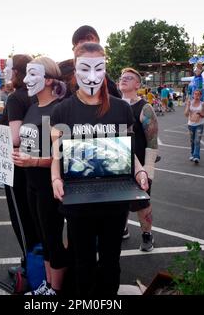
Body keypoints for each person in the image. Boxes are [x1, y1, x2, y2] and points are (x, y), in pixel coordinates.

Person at [50, 42, 148, 296]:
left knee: (110, 261)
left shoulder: (121, 108)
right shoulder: (62, 109)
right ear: (75, 69)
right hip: (78, 199)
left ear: (105, 69)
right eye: (85, 68)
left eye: (99, 68)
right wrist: (55, 178)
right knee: (82, 262)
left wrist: (139, 171)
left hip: (115, 199)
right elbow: (55, 152)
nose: (92, 77)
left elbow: (129, 151)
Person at [12, 57, 68, 295]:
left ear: (48, 80)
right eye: (25, 74)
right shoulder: (34, 106)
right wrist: (6, 148)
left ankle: (56, 290)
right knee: (43, 239)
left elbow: (63, 156)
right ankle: (47, 284)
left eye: (32, 75)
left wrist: (33, 160)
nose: (25, 80)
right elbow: (28, 143)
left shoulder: (60, 109)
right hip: (31, 183)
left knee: (53, 239)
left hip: (49, 186)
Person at [0, 54, 40, 277]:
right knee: (37, 220)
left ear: (17, 72)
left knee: (22, 220)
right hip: (36, 166)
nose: (5, 71)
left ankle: (31, 268)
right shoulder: (37, 95)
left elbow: (15, 138)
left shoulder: (15, 98)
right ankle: (40, 267)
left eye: (9, 68)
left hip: (16, 167)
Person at [119, 67, 158, 252]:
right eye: (122, 77)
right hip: (118, 164)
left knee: (142, 202)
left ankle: (147, 235)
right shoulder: (115, 105)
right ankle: (123, 229)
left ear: (137, 84)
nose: (124, 80)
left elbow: (152, 141)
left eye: (129, 78)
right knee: (119, 200)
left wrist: (148, 170)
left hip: (140, 166)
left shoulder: (145, 108)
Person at [71, 25, 121, 98]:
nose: (75, 49)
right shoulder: (66, 71)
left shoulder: (109, 86)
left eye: (79, 43)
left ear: (91, 39)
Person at [184, 89, 204, 164]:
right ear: (193, 95)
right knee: (192, 141)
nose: (196, 96)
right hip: (190, 124)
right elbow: (186, 114)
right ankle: (192, 154)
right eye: (195, 94)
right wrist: (187, 105)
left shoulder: (203, 104)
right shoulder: (190, 103)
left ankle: (196, 156)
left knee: (197, 140)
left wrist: (199, 114)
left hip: (199, 124)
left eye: (198, 94)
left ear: (201, 96)